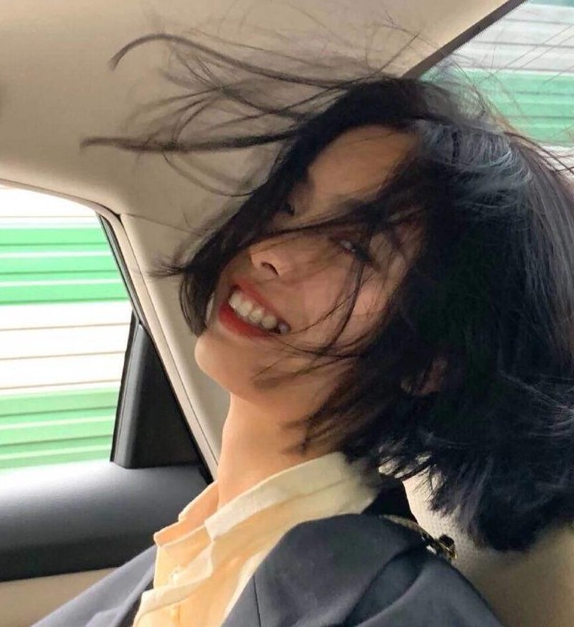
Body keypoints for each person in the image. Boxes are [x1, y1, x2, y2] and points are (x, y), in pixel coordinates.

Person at [34, 35, 574, 627]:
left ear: (428, 362)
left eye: (353, 247)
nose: (272, 250)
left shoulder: (398, 611)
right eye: (288, 205)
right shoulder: (192, 552)